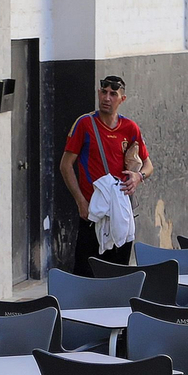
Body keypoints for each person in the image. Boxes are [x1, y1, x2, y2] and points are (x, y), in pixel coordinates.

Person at [59, 74, 154, 275]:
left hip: (120, 213)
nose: (107, 98)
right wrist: (80, 202)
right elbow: (66, 165)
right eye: (104, 92)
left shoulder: (130, 128)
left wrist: (139, 177)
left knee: (117, 274)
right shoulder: (84, 124)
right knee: (85, 275)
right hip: (92, 213)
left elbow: (148, 165)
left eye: (113, 94)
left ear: (122, 99)